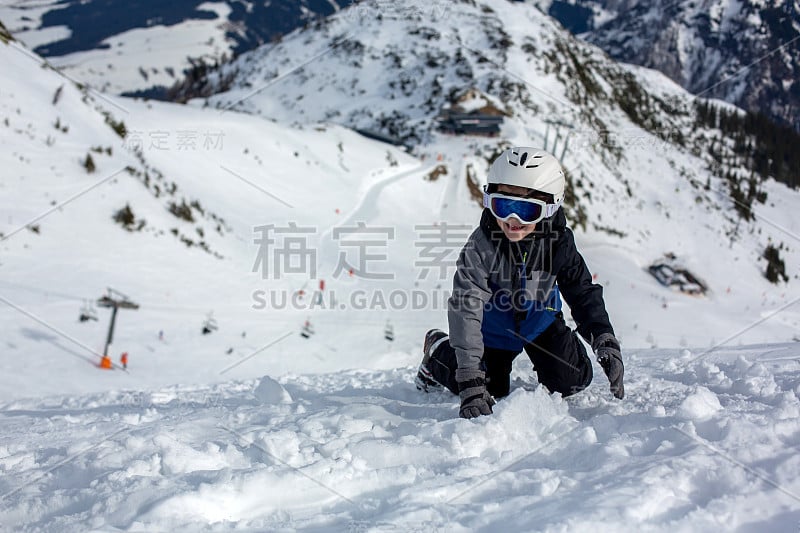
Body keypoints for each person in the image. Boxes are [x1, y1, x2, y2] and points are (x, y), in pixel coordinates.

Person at [415, 147, 624, 418]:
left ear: (550, 208)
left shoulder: (559, 243)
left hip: (541, 324)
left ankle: (562, 358)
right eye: (503, 206)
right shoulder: (481, 247)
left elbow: (581, 289)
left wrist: (602, 336)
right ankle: (437, 352)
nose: (512, 221)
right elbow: (465, 309)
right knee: (488, 388)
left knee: (572, 380)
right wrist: (469, 378)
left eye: (526, 210)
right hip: (494, 331)